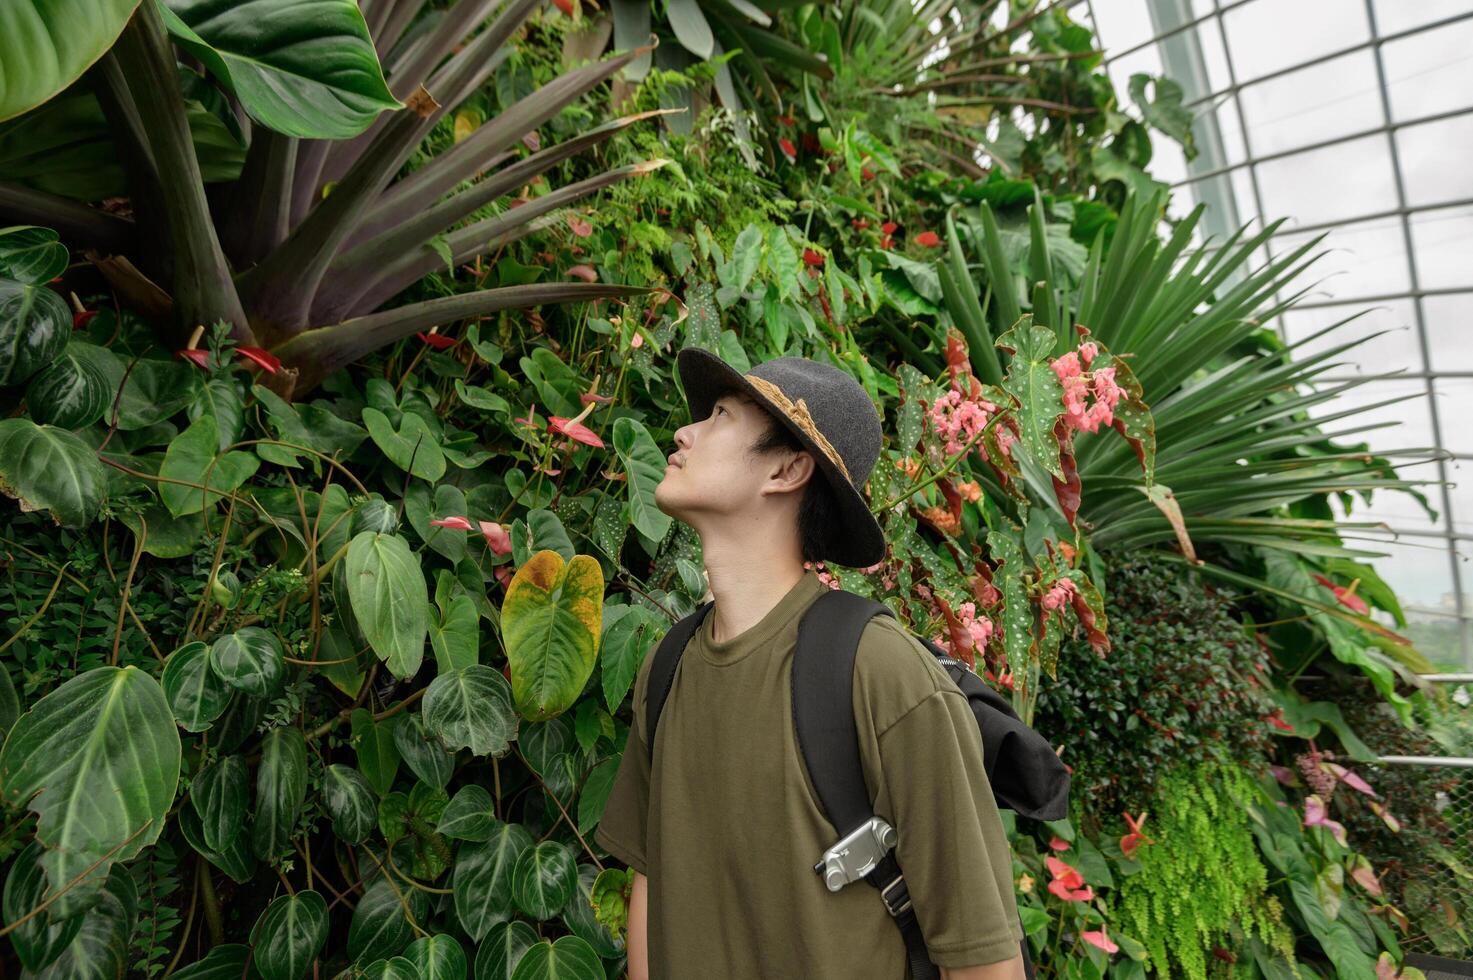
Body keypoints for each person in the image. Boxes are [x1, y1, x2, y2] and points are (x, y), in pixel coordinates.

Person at [593, 347, 1027, 979]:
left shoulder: (881, 675)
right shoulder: (667, 667)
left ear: (789, 468)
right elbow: (653, 881)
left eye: (718, 415)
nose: (683, 432)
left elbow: (985, 963)